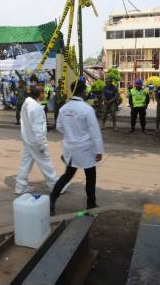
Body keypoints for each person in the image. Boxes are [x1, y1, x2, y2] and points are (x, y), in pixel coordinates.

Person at [50, 79, 104, 216]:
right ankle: (91, 205)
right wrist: (99, 150)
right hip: (85, 148)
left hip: (70, 148)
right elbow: (94, 132)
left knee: (67, 175)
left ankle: (51, 200)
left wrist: (71, 133)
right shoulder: (87, 109)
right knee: (90, 177)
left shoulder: (64, 108)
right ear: (83, 91)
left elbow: (59, 127)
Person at [15, 85, 59, 194]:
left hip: (28, 139)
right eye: (43, 92)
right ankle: (55, 186)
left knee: (25, 163)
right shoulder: (36, 108)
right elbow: (38, 129)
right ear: (40, 94)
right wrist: (42, 145)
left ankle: (20, 186)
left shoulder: (27, 103)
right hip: (35, 141)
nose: (44, 94)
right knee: (46, 163)